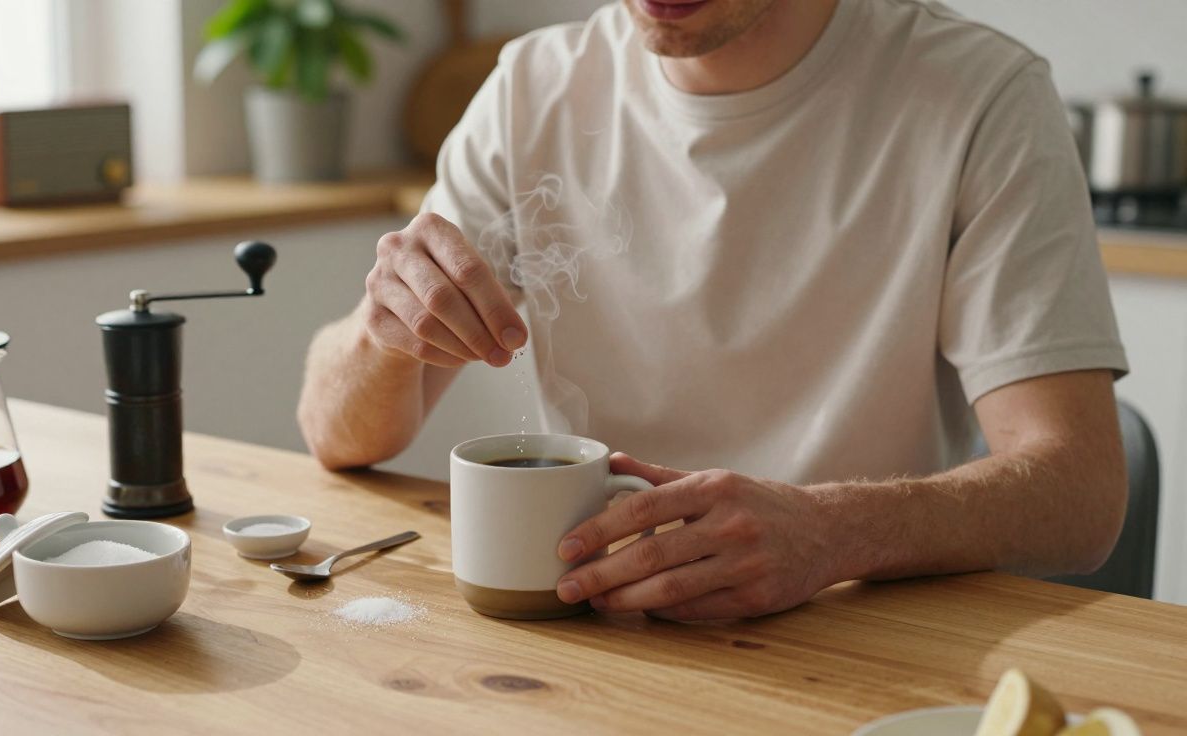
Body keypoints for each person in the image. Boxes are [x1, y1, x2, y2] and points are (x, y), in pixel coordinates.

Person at [298, 0, 1129, 621]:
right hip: (589, 630)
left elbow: (1082, 493)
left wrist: (830, 532)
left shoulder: (979, 95)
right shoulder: (534, 88)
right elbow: (340, 436)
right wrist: (384, 331)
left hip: (855, 635)